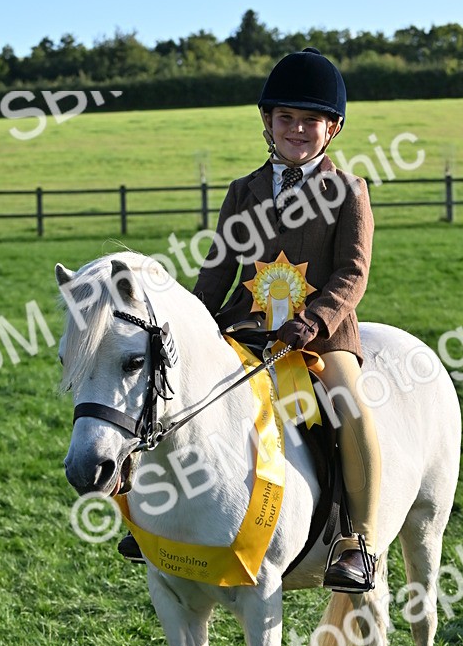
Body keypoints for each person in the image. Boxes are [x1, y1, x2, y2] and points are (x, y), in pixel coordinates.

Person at [119, 47, 382, 592]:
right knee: (173, 394)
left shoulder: (349, 191)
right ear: (268, 122)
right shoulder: (244, 191)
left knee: (348, 407)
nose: (297, 130)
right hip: (245, 328)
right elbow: (218, 270)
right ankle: (154, 513)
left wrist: (313, 322)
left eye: (310, 121)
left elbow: (353, 273)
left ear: (331, 128)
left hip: (321, 335)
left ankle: (359, 539)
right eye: (286, 119)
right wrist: (187, 326)